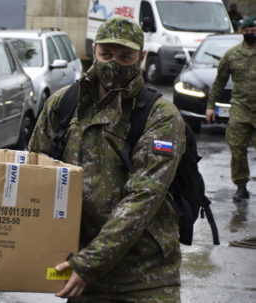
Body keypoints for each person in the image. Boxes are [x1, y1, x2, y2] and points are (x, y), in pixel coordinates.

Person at [28, 17, 186, 302]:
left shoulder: (160, 116)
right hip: (82, 273)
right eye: (106, 54)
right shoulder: (63, 105)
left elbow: (143, 198)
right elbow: (35, 177)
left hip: (145, 278)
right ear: (94, 50)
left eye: (125, 56)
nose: (114, 63)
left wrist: (89, 263)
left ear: (141, 56)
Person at [206, 16, 256, 202]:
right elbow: (219, 82)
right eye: (248, 30)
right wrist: (210, 107)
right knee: (237, 148)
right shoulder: (232, 55)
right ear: (242, 31)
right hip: (241, 108)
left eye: (254, 30)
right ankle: (241, 186)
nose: (252, 33)